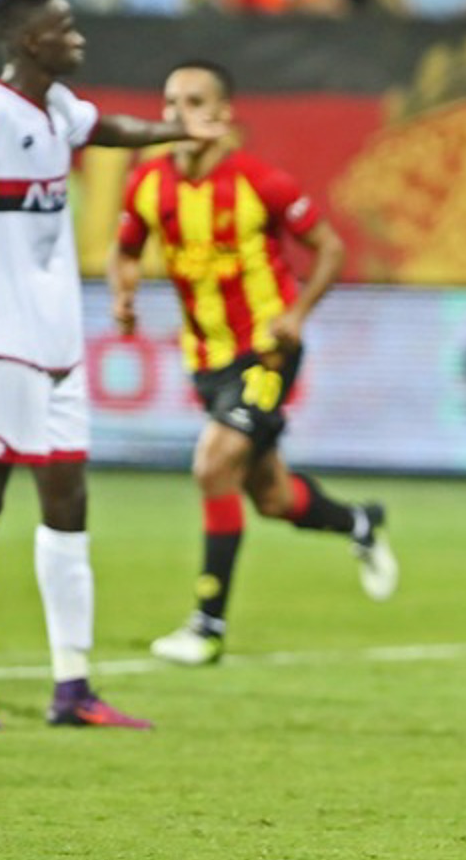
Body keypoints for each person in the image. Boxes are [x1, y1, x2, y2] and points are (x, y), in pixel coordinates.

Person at [0, 0, 223, 729]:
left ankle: (72, 687)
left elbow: (109, 128)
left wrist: (174, 131)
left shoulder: (59, 107)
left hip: (57, 342)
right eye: (64, 27)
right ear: (31, 41)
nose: (78, 37)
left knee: (69, 502)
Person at [110, 59, 398, 667]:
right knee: (271, 497)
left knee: (213, 464)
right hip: (205, 360)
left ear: (221, 115)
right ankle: (359, 523)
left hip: (266, 351)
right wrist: (123, 294)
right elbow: (126, 249)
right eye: (169, 102)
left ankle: (206, 625)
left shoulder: (259, 182)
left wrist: (297, 315)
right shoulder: (148, 184)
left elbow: (330, 249)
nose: (176, 114)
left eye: (192, 102)